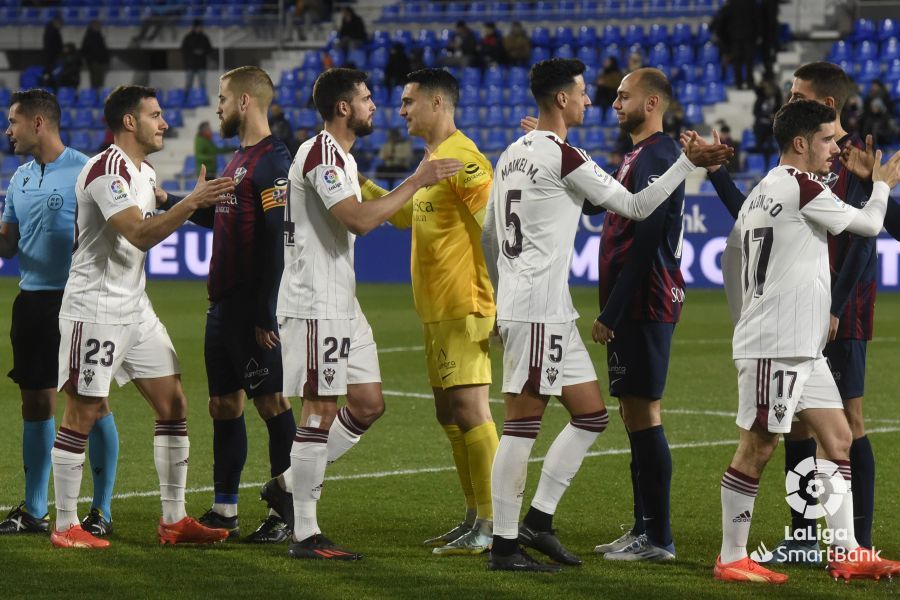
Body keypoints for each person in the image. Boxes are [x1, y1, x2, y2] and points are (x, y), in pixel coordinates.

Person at [481, 58, 732, 572]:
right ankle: (505, 546)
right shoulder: (562, 154)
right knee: (522, 424)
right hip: (536, 311)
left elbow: (489, 234)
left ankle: (540, 523)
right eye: (582, 92)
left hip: (544, 308)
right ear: (561, 101)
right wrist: (689, 164)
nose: (591, 100)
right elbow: (637, 208)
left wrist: (501, 293)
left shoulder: (511, 153)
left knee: (591, 414)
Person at [706, 62, 894, 559]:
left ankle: (847, 550)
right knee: (759, 447)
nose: (836, 149)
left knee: (836, 439)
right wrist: (881, 184)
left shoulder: (768, 189)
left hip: (803, 344)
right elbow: (869, 226)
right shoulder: (801, 185)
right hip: (777, 343)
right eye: (828, 142)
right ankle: (732, 558)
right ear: (800, 143)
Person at [280, 68, 462, 560]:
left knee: (367, 403)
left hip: (342, 303)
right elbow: (358, 221)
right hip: (316, 303)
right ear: (344, 109)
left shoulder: (340, 156)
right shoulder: (320, 153)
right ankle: (305, 534)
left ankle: (288, 486)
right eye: (365, 98)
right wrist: (418, 179)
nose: (374, 106)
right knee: (318, 410)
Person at [49, 84, 234, 548]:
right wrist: (191, 203)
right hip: (96, 310)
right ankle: (65, 525)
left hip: (136, 308)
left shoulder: (143, 171)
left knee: (173, 404)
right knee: (82, 411)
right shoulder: (105, 168)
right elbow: (137, 233)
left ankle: (174, 519)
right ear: (129, 122)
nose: (164, 122)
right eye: (155, 114)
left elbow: (157, 202)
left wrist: (190, 201)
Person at [361, 68, 499, 555]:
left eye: (408, 101)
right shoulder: (432, 161)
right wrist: (356, 181)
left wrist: (503, 301)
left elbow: (497, 229)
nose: (401, 111)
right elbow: (401, 214)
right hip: (435, 310)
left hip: (464, 304)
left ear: (437, 104)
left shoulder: (463, 159)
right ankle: (474, 515)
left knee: (470, 409)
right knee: (449, 412)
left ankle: (493, 522)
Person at [158, 67, 296, 544]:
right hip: (221, 306)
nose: (216, 106)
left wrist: (265, 312)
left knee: (272, 403)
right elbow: (221, 219)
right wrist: (171, 200)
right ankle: (225, 509)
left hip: (248, 307)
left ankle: (287, 513)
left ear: (243, 101)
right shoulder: (239, 158)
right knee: (222, 405)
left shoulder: (273, 161)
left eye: (221, 98)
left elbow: (277, 241)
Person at [0, 89, 119, 537]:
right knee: (35, 402)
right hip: (30, 301)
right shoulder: (19, 179)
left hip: (78, 301)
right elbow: (8, 245)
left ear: (38, 123)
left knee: (93, 402)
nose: (7, 130)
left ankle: (101, 511)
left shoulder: (86, 170)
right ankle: (34, 511)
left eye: (13, 121)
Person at [588, 68, 684, 562]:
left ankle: (659, 537)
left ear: (651, 103)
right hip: (638, 301)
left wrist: (613, 310)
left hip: (645, 300)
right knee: (632, 414)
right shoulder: (639, 156)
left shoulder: (661, 154)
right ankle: (643, 526)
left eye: (623, 96)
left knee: (643, 413)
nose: (614, 103)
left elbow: (646, 237)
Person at [182, 20, 213, 93]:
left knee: (202, 84)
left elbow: (209, 49)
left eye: (200, 27)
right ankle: (186, 99)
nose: (199, 28)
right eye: (198, 27)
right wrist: (193, 53)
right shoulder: (188, 37)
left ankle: (203, 99)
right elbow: (184, 49)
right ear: (194, 27)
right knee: (188, 84)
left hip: (201, 64)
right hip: (190, 64)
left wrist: (202, 52)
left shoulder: (204, 38)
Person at [81, 20, 110, 91]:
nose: (99, 27)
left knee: (99, 81)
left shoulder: (98, 35)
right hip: (95, 62)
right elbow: (85, 50)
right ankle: (96, 95)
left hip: (100, 62)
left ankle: (98, 95)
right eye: (97, 25)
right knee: (96, 82)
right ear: (93, 26)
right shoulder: (89, 36)